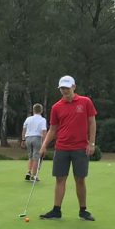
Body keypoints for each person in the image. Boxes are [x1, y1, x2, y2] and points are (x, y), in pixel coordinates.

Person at [39, 75, 97, 221]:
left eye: (67, 87)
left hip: (80, 147)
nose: (64, 90)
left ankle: (83, 210)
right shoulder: (56, 107)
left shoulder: (85, 102)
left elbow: (92, 122)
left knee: (80, 179)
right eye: (62, 88)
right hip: (62, 147)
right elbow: (53, 129)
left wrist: (91, 143)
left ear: (74, 87)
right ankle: (56, 210)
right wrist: (44, 145)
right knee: (60, 179)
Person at [21, 104, 47, 181]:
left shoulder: (28, 119)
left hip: (28, 138)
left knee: (30, 156)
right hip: (37, 138)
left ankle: (29, 172)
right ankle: (34, 175)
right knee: (36, 157)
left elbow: (24, 129)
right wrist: (44, 144)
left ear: (33, 110)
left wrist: (23, 139)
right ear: (41, 111)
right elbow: (44, 131)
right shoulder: (42, 120)